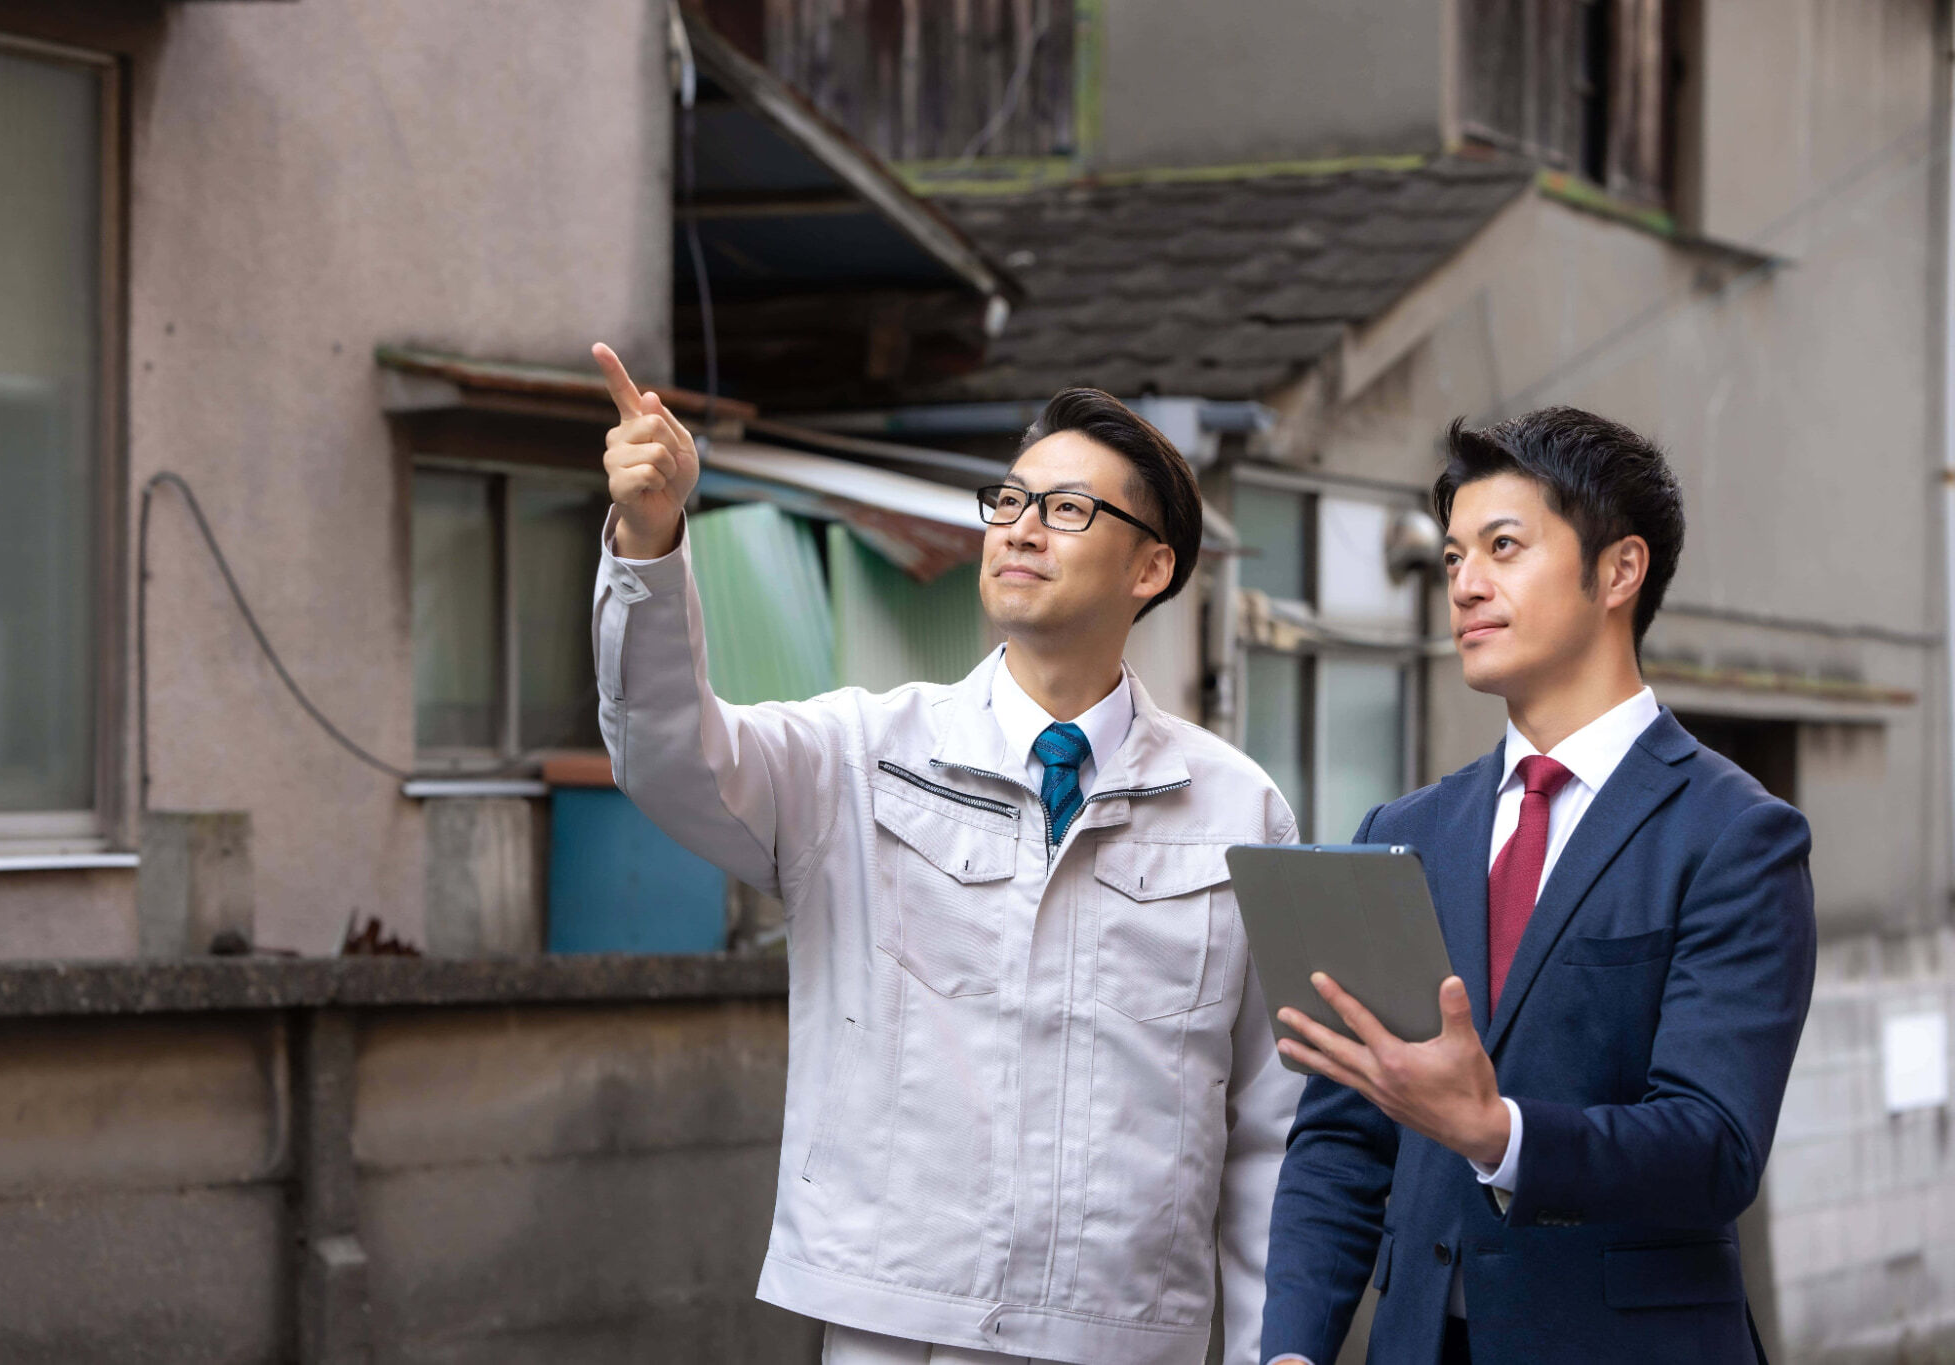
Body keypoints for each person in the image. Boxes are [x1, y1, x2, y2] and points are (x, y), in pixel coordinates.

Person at [589, 342, 1303, 1365]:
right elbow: (668, 754)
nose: (1018, 527)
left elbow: (1270, 1119)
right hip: (896, 1321)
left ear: (1150, 567)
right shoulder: (857, 753)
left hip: (1120, 1332)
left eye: (1066, 510)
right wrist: (650, 541)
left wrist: (1270, 1349)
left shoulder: (1234, 806)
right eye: (1008, 500)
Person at [1260, 408, 1816, 1365]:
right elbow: (1342, 1142)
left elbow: (1713, 1142)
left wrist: (1499, 1132)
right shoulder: (1403, 834)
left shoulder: (1736, 834)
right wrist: (1291, 1349)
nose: (1466, 585)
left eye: (1504, 547)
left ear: (1618, 571)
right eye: (1451, 558)